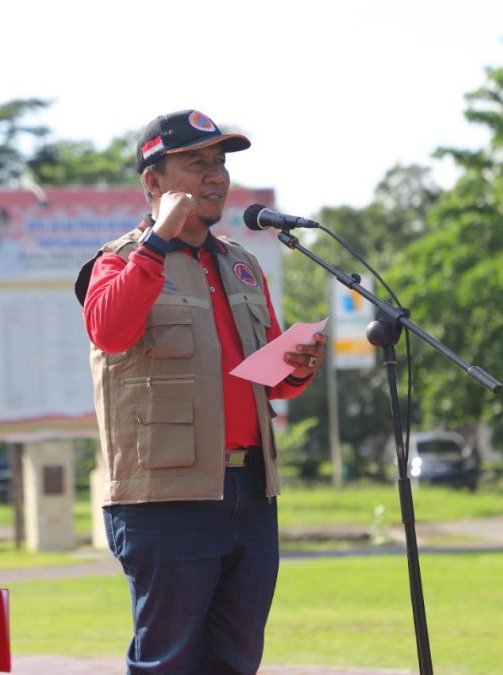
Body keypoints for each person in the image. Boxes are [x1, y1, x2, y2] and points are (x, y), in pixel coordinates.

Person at [74, 109, 326, 674]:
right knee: (169, 662)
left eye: (220, 163)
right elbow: (109, 332)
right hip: (168, 498)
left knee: (236, 661)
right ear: (153, 183)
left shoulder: (241, 264)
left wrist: (298, 365)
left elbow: (266, 380)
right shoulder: (118, 261)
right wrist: (159, 240)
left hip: (251, 488)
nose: (216, 176)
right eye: (197, 163)